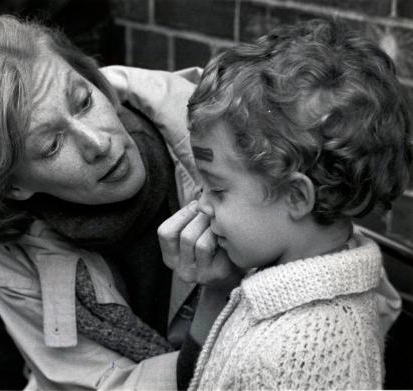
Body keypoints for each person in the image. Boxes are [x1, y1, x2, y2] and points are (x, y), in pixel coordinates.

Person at [0, 15, 241, 390]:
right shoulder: (10, 246)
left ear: (94, 81)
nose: (97, 142)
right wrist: (216, 295)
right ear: (14, 187)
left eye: (83, 101)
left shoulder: (225, 132)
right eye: (52, 145)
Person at [155, 19, 411, 390]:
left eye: (217, 189)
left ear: (295, 196)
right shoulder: (286, 285)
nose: (201, 205)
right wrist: (217, 286)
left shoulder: (291, 361)